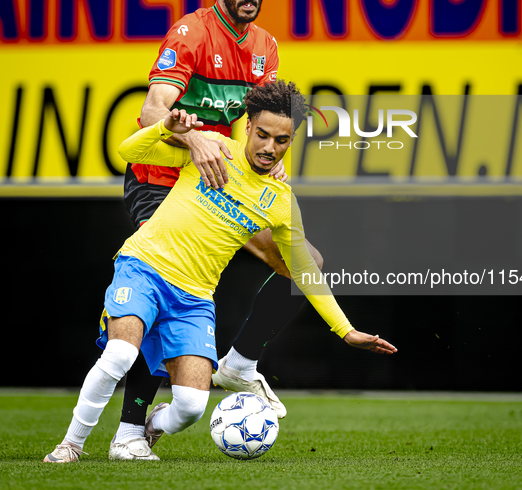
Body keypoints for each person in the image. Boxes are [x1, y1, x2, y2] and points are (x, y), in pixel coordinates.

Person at [43, 81, 397, 464]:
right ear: (247, 126)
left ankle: (150, 426)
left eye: (281, 140)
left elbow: (304, 268)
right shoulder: (213, 150)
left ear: (291, 140)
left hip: (193, 299)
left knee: (193, 406)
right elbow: (127, 151)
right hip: (144, 268)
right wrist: (168, 130)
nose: (268, 147)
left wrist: (346, 330)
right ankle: (70, 445)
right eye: (262, 134)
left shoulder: (280, 201)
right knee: (118, 357)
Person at [115, 0, 317, 460]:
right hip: (162, 185)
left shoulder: (266, 47)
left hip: (224, 186)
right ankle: (131, 430)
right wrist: (194, 134)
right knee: (160, 294)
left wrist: (272, 177)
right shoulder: (189, 33)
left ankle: (241, 364)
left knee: (306, 264)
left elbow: (263, 123)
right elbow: (156, 109)